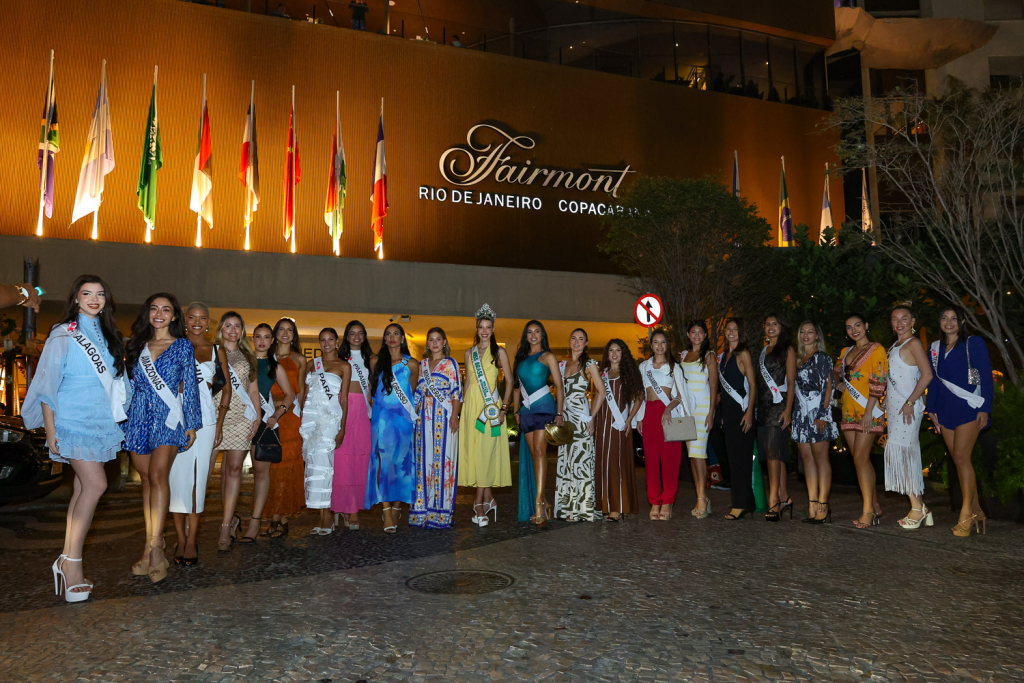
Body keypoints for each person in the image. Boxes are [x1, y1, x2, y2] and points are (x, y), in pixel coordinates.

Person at [23, 275, 129, 602]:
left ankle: (67, 559)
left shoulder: (111, 335)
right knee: (96, 485)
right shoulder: (63, 333)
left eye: (100, 294)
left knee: (83, 488)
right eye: (87, 293)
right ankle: (72, 564)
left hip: (99, 419)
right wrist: (51, 430)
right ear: (76, 298)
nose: (94, 299)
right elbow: (47, 384)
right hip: (72, 418)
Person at [123, 293, 202, 583]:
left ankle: (156, 548)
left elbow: (190, 385)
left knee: (158, 476)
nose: (159, 314)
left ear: (173, 316)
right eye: (154, 309)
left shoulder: (182, 346)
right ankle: (151, 544)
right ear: (148, 314)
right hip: (139, 415)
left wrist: (191, 423)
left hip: (168, 416)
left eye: (165, 310)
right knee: (145, 480)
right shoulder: (136, 346)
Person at [169, 302, 231, 566]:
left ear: (208, 322)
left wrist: (219, 424)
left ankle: (192, 539)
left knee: (198, 481)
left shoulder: (216, 350)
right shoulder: (172, 345)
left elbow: (225, 388)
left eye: (202, 318)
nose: (197, 321)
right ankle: (180, 539)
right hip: (174, 421)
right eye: (192, 317)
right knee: (175, 480)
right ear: (184, 319)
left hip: (205, 422)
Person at [927, 305, 994, 537]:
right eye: (944, 318)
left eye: (954, 318)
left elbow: (985, 376)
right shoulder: (935, 349)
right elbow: (934, 382)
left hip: (969, 409)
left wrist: (985, 408)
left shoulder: (973, 343)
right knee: (957, 459)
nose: (949, 322)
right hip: (945, 412)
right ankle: (977, 511)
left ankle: (966, 513)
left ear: (962, 321)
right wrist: (931, 410)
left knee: (963, 458)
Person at [458, 304, 513, 524]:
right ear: (476, 328)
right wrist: (462, 411)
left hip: (490, 409)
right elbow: (468, 383)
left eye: (488, 327)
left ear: (493, 329)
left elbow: (509, 381)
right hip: (472, 408)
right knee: (475, 453)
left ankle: (479, 502)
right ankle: (489, 498)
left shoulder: (499, 352)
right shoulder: (468, 352)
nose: (484, 331)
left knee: (486, 452)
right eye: (481, 327)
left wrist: (503, 409)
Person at [834, 313, 888, 528]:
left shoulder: (877, 349)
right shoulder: (845, 351)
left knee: (860, 458)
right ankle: (873, 504)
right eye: (849, 327)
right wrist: (838, 382)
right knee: (859, 460)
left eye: (857, 325)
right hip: (848, 411)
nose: (854, 330)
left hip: (868, 411)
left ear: (866, 325)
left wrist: (868, 412)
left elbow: (879, 381)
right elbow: (836, 372)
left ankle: (867, 510)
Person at [214, 312, 262, 551]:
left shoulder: (247, 356)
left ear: (242, 331)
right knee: (203, 473)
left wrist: (258, 416)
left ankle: (225, 526)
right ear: (221, 328)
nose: (233, 330)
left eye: (237, 326)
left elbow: (253, 390)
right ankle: (229, 518)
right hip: (212, 416)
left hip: (241, 416)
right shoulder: (209, 352)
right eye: (228, 325)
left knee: (234, 469)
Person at [366, 323, 419, 533]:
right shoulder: (375, 361)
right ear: (384, 339)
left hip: (402, 419)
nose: (392, 337)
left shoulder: (412, 364)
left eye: (396, 333)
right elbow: (374, 389)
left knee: (402, 463)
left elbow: (411, 393)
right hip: (381, 419)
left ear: (403, 338)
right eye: (388, 334)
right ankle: (386, 510)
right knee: (384, 464)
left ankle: (398, 505)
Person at [885, 304, 934, 530]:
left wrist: (911, 401)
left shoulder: (913, 343)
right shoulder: (893, 346)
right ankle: (920, 507)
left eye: (904, 318)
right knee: (902, 454)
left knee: (904, 454)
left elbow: (927, 375)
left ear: (913, 321)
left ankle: (918, 507)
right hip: (895, 408)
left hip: (908, 408)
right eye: (895, 319)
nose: (900, 323)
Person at [246, 323, 296, 541]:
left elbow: (290, 395)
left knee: (260, 472)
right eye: (258, 336)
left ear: (272, 340)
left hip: (261, 421)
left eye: (267, 337)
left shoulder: (275, 367)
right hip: (238, 421)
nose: (262, 341)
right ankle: (228, 523)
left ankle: (254, 522)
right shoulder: (242, 362)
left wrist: (276, 415)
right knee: (231, 471)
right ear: (252, 339)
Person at [512, 320, 564, 526]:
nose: (533, 335)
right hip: (526, 411)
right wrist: (515, 411)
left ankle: (539, 504)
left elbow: (559, 386)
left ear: (543, 335)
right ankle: (544, 501)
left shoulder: (548, 356)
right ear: (525, 336)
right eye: (529, 332)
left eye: (537, 332)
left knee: (541, 453)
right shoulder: (520, 359)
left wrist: (559, 412)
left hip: (544, 408)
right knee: (534, 454)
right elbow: (516, 388)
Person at [300, 328, 350, 534]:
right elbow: (305, 393)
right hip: (311, 419)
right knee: (313, 464)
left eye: (330, 339)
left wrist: (343, 428)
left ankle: (328, 515)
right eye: (323, 340)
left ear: (337, 341)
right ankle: (321, 515)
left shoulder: (344, 366)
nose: (326, 343)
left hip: (330, 420)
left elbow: (344, 399)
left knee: (324, 465)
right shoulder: (313, 364)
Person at [410, 327, 462, 528]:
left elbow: (456, 392)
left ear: (444, 342)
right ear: (427, 344)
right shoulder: (422, 364)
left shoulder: (451, 364)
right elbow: (416, 395)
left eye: (438, 339)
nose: (434, 343)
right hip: (423, 419)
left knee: (442, 462)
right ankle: (422, 511)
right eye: (431, 339)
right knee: (424, 463)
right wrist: (413, 417)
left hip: (444, 415)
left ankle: (440, 512)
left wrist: (455, 415)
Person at [637, 329, 689, 521]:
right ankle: (654, 501)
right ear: (651, 345)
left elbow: (680, 395)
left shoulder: (675, 367)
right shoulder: (643, 366)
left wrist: (668, 409)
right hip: (649, 413)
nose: (659, 346)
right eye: (656, 342)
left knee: (670, 461)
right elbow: (640, 394)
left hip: (670, 413)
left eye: (663, 342)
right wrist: (639, 418)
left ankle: (667, 502)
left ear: (667, 345)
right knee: (651, 461)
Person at [555, 328, 606, 522]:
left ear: (586, 343)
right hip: (566, 419)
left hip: (581, 419)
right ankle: (568, 508)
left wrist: (592, 416)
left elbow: (601, 392)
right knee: (567, 462)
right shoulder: (562, 365)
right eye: (574, 338)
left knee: (581, 463)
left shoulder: (589, 364)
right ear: (569, 341)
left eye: (581, 339)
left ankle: (583, 509)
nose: (576, 342)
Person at [262, 318, 306, 538]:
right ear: (275, 333)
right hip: (266, 414)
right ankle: (278, 517)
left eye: (290, 330)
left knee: (285, 468)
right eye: (281, 329)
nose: (286, 333)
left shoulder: (299, 359)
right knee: (268, 469)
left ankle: (277, 519)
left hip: (289, 416)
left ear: (294, 334)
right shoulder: (265, 357)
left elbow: (301, 392)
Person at [791, 321, 838, 524]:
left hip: (818, 413)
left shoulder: (822, 358)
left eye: (810, 332)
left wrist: (822, 414)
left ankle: (823, 504)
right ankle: (811, 503)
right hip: (800, 415)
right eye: (802, 331)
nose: (806, 335)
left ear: (817, 336)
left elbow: (829, 387)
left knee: (821, 459)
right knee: (807, 459)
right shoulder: (798, 359)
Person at [594, 338, 643, 521]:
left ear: (623, 354)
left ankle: (617, 507)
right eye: (611, 351)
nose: (614, 354)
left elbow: (639, 398)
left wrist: (629, 420)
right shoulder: (602, 374)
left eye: (618, 350)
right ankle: (605, 505)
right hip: (602, 423)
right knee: (602, 463)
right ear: (607, 354)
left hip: (619, 424)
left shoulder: (629, 373)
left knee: (616, 464)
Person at [333, 320, 375, 530]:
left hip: (362, 411)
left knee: (360, 460)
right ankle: (346, 508)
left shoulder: (371, 359)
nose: (356, 337)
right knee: (342, 460)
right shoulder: (340, 359)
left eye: (360, 333)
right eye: (352, 333)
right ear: (346, 336)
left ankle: (353, 505)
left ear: (364, 336)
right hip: (344, 407)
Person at [755, 314, 796, 522]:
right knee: (774, 454)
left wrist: (788, 410)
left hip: (779, 406)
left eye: (775, 324)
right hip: (763, 407)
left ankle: (773, 501)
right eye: (768, 324)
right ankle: (783, 496)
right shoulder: (763, 351)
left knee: (773, 454)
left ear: (782, 327)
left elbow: (791, 383)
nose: (771, 327)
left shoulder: (787, 349)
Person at [719, 318, 757, 520]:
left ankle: (740, 504)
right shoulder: (724, 356)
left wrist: (750, 412)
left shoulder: (743, 354)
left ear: (740, 333)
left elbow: (752, 384)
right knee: (733, 459)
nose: (731, 332)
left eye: (735, 329)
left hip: (742, 413)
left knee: (741, 460)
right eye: (728, 329)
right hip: (729, 414)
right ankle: (747, 502)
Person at [680, 320, 718, 519]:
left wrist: (711, 412)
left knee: (699, 453)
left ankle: (702, 498)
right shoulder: (683, 356)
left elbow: (713, 386)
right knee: (691, 456)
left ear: (705, 335)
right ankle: (701, 496)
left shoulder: (709, 356)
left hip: (702, 409)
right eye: (693, 332)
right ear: (688, 334)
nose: (696, 335)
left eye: (700, 332)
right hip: (684, 410)